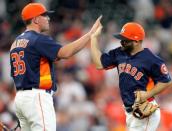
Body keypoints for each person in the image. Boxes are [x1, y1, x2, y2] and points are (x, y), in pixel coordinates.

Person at [9, 2, 102, 131]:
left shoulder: (15, 43)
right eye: (44, 15)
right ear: (35, 19)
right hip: (37, 97)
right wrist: (90, 34)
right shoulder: (37, 39)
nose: (48, 18)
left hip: (21, 99)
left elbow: (14, 76)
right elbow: (66, 53)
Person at [90, 22, 172, 131]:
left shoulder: (151, 59)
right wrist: (93, 38)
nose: (122, 42)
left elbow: (166, 81)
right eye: (122, 38)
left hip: (144, 110)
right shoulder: (119, 53)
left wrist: (148, 94)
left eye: (126, 40)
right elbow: (99, 64)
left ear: (137, 41)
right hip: (129, 112)